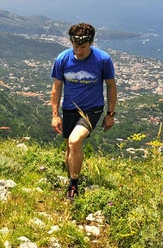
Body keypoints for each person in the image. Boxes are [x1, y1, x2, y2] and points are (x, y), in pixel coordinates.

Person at [50, 23, 117, 200]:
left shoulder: (103, 60)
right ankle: (69, 178)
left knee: (74, 141)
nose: (79, 51)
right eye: (76, 47)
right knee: (69, 149)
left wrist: (110, 114)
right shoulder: (63, 59)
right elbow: (56, 88)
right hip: (70, 109)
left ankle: (73, 186)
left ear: (91, 43)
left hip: (92, 109)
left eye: (84, 47)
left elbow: (111, 86)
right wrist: (55, 115)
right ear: (72, 42)